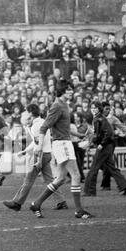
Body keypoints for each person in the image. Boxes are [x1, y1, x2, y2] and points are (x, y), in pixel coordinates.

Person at [30, 81, 93, 219]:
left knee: (60, 179)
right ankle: (79, 210)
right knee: (75, 175)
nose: (71, 92)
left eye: (71, 89)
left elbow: (65, 127)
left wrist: (80, 135)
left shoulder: (64, 105)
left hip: (64, 142)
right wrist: (40, 145)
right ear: (62, 90)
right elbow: (44, 127)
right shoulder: (57, 106)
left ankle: (36, 203)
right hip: (62, 144)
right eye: (68, 89)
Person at [3, 104, 68, 212]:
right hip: (47, 154)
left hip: (40, 155)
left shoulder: (35, 126)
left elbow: (39, 144)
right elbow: (37, 142)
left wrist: (38, 160)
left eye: (26, 111)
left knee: (28, 180)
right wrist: (25, 150)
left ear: (30, 113)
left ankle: (17, 202)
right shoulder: (42, 122)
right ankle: (61, 201)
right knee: (49, 180)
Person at [84, 102, 126, 197]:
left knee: (94, 168)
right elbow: (103, 133)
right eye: (92, 108)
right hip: (108, 145)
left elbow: (108, 133)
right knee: (112, 168)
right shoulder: (100, 118)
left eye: (95, 108)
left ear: (99, 109)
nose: (93, 109)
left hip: (104, 146)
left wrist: (100, 143)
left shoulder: (98, 119)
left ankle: (90, 191)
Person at [100, 104, 126, 190]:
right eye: (109, 109)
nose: (110, 111)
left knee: (106, 163)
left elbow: (123, 128)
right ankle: (115, 182)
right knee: (107, 164)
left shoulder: (113, 119)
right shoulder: (101, 118)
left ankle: (107, 184)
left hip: (109, 143)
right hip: (103, 143)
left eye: (112, 110)